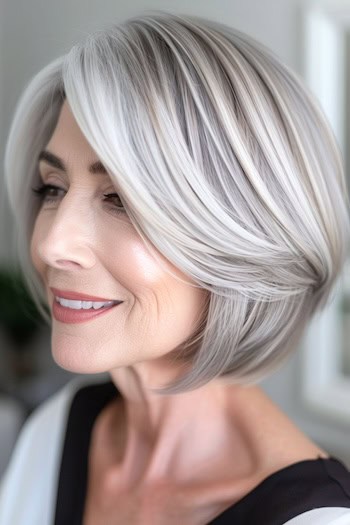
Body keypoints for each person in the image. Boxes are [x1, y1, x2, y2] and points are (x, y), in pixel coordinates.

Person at [0, 11, 350, 525]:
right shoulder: (56, 432)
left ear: (240, 240)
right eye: (53, 188)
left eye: (120, 199)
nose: (53, 243)